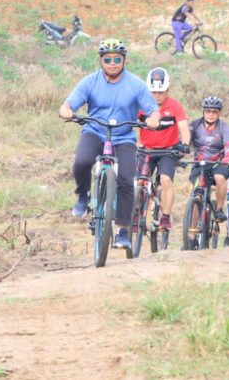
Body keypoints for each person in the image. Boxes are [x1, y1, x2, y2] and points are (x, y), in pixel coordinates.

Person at [59, 39, 161, 250]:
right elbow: (70, 102)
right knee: (81, 162)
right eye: (108, 59)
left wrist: (153, 118)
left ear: (124, 60)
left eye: (117, 59)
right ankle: (83, 195)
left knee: (126, 178)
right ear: (101, 61)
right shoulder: (90, 81)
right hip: (95, 131)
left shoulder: (136, 84)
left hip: (124, 136)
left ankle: (123, 230)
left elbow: (152, 109)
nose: (112, 63)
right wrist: (67, 110)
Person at [137, 67, 191, 232]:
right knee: (138, 182)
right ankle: (136, 212)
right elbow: (128, 123)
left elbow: (184, 128)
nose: (157, 95)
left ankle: (165, 217)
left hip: (168, 151)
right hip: (147, 150)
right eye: (153, 92)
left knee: (166, 180)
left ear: (167, 90)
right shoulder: (140, 106)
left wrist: (185, 144)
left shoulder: (175, 106)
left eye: (161, 92)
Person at [189, 96, 229, 222]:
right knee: (197, 195)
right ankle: (191, 232)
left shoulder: (224, 127)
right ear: (204, 111)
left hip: (218, 163)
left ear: (219, 113)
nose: (211, 114)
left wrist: (228, 156)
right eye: (208, 111)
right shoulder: (195, 125)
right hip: (199, 164)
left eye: (214, 112)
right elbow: (186, 140)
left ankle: (219, 209)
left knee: (220, 178)